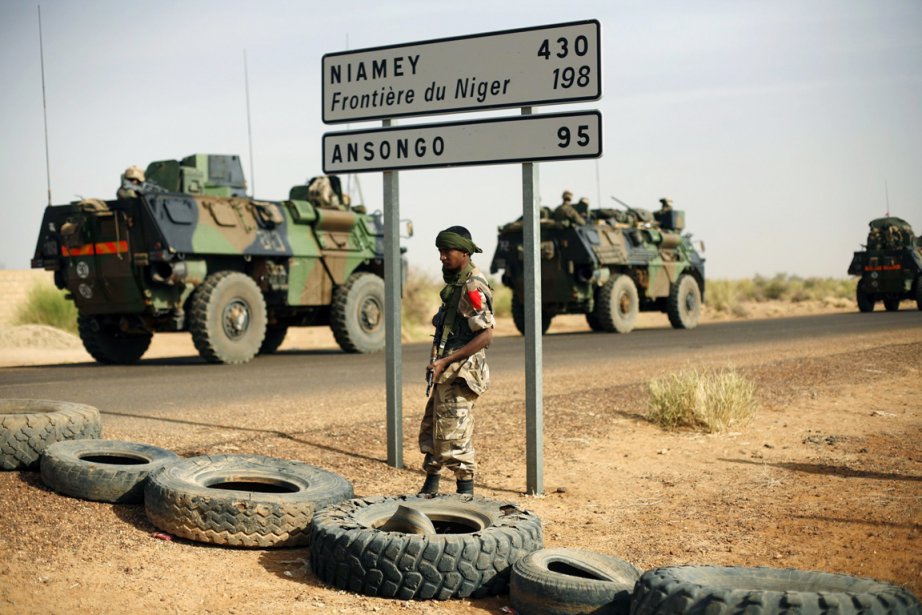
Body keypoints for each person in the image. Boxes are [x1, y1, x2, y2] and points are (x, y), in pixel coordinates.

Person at [419, 226, 495, 496]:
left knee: (455, 436)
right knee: (435, 430)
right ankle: (430, 488)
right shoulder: (455, 284)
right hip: (446, 372)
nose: (441, 257)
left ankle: (466, 498)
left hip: (461, 374)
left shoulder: (471, 286)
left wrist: (446, 360)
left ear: (464, 251)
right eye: (439, 251)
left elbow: (485, 335)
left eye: (447, 251)